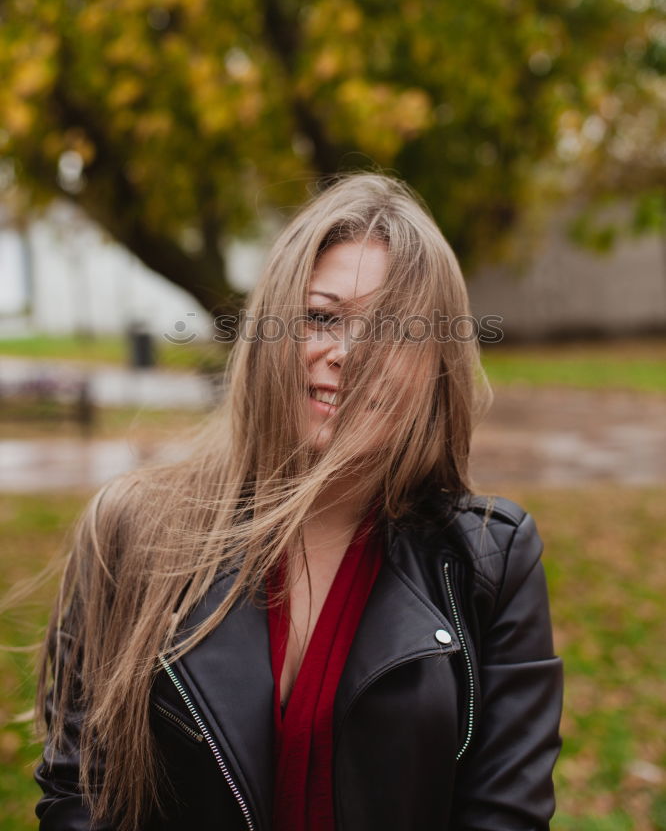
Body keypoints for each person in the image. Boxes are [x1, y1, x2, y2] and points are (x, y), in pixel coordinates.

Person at [34, 172, 563, 831]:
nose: (347, 354)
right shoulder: (132, 531)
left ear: (437, 365)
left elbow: (504, 816)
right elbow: (79, 794)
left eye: (394, 331)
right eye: (320, 316)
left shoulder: (490, 562)